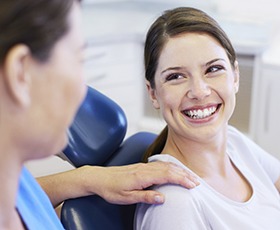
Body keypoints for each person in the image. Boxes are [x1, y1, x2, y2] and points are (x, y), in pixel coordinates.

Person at [0, 1, 200, 229]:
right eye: (78, 60)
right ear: (20, 73)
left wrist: (87, 179)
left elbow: (26, 197)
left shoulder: (14, 179)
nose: (82, 91)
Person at [135, 7, 280, 230]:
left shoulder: (234, 142)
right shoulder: (174, 204)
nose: (199, 91)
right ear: (153, 93)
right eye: (176, 76)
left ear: (235, 76)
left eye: (213, 69)